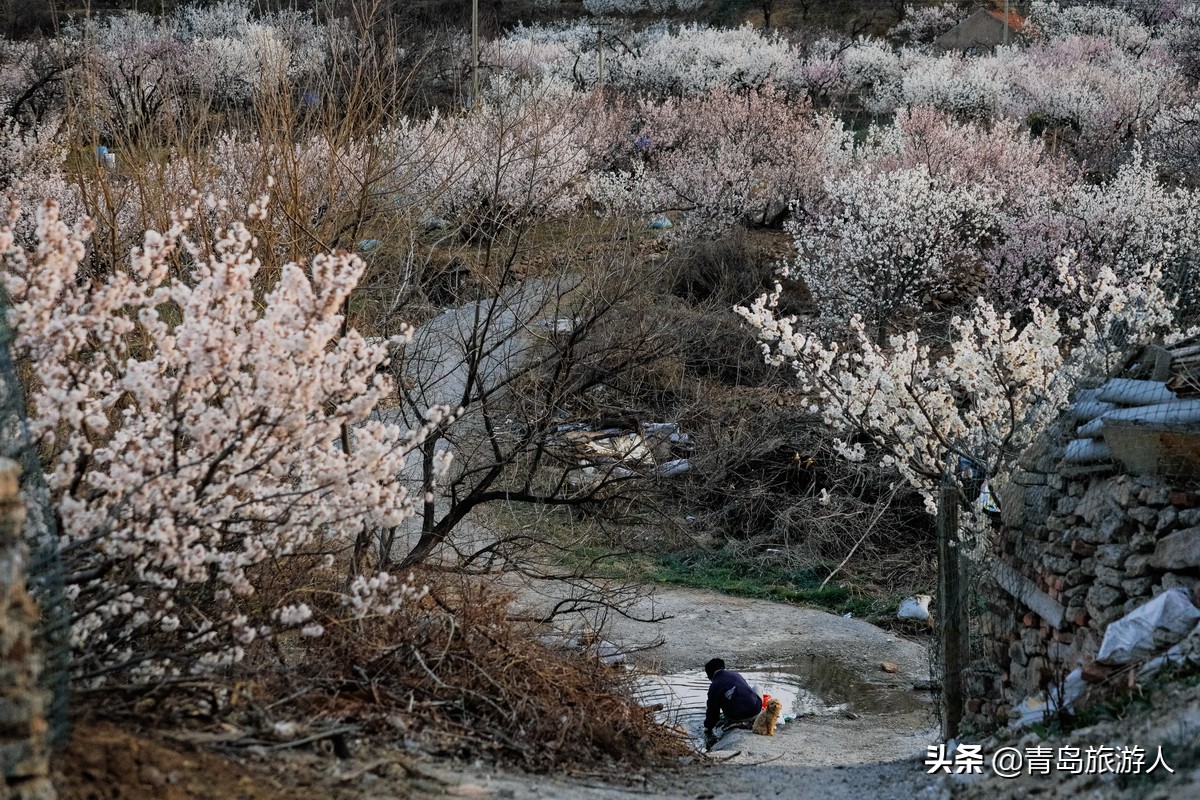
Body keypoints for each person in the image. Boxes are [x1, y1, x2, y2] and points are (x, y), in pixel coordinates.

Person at [703, 657, 762, 734]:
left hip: (736, 718)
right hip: (755, 711)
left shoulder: (714, 685)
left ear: (710, 675)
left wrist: (708, 727)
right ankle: (759, 712)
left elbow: (713, 713)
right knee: (757, 687)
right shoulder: (736, 675)